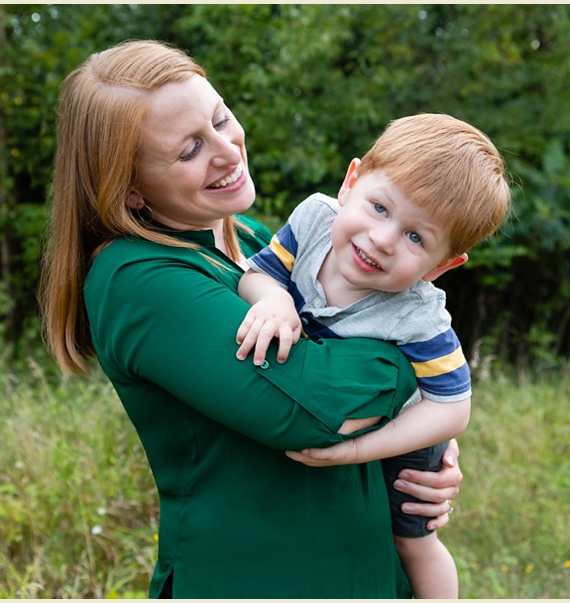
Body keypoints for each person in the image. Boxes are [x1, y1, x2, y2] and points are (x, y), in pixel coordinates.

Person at [40, 40, 463, 599]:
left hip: (365, 572)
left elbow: (366, 384)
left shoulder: (260, 245)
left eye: (220, 119)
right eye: (190, 148)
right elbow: (314, 411)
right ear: (131, 189)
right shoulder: (136, 276)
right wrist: (422, 375)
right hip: (259, 577)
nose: (227, 149)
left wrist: (422, 446)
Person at [235, 113, 510, 598]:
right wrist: (274, 299)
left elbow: (452, 406)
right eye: (380, 207)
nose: (382, 239)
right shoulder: (316, 220)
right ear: (351, 182)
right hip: (335, 409)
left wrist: (360, 450)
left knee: (414, 541)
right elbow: (257, 273)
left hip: (402, 436)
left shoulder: (418, 314)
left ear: (442, 266)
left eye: (416, 238)